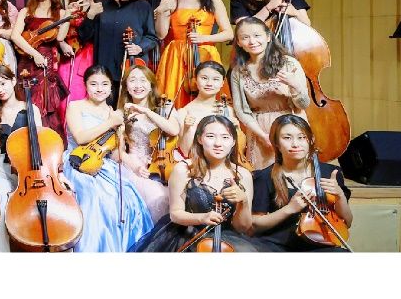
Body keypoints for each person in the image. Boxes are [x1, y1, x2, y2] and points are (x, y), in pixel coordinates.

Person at [130, 114, 258, 252]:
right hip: (187, 235)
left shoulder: (243, 175)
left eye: (225, 137)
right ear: (199, 139)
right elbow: (175, 214)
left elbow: (243, 228)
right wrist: (202, 218)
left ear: (233, 141)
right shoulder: (183, 169)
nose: (218, 143)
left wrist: (244, 202)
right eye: (210, 136)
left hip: (228, 239)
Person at [62, 66, 154, 252]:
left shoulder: (113, 111)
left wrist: (135, 166)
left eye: (104, 84)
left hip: (104, 164)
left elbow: (115, 151)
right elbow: (80, 138)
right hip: (78, 163)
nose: (99, 89)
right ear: (85, 85)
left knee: (127, 199)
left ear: (111, 87)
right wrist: (110, 122)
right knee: (95, 198)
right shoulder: (75, 106)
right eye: (93, 84)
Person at [248, 114, 353, 251]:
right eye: (287, 138)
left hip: (319, 243)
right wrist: (289, 209)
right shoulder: (264, 177)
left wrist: (340, 196)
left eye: (302, 137)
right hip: (275, 245)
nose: (295, 144)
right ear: (276, 143)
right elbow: (255, 225)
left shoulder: (330, 173)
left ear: (311, 140)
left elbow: (347, 222)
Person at [229, 18, 309, 169]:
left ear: (268, 37)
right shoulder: (238, 71)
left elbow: (303, 104)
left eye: (257, 35)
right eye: (245, 37)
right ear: (238, 42)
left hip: (291, 125)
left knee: (294, 172)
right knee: (263, 177)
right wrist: (262, 135)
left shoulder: (289, 63)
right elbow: (241, 110)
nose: (252, 41)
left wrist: (294, 85)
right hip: (259, 130)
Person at [154, 0, 234, 108]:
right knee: (175, 98)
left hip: (205, 53)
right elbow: (161, 34)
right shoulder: (171, 1)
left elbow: (229, 33)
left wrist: (203, 38)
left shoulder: (213, 1)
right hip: (177, 55)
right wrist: (161, 12)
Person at [0, 64, 42, 252]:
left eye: (2, 83)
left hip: (30, 169)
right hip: (3, 170)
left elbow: (42, 143)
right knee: (3, 202)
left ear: (13, 81)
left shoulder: (31, 109)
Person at [8, 0, 71, 135]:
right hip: (27, 61)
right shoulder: (26, 11)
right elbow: (15, 36)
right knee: (26, 102)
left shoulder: (60, 13)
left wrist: (68, 15)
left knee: (45, 104)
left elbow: (61, 37)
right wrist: (34, 54)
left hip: (46, 63)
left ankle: (47, 142)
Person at [117, 64, 179, 222]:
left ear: (151, 85)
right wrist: (136, 167)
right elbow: (118, 150)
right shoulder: (120, 113)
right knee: (158, 196)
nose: (138, 85)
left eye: (143, 80)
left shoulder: (165, 106)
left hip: (166, 160)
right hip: (136, 164)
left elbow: (173, 130)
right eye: (132, 80)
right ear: (126, 87)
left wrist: (146, 111)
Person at [84, 0, 160, 87]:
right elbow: (84, 36)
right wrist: (90, 15)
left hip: (133, 69)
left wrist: (140, 47)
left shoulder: (142, 6)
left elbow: (152, 37)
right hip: (105, 72)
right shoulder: (99, 6)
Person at [61, 0, 101, 105]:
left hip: (92, 54)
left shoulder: (102, 0)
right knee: (67, 99)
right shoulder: (67, 0)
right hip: (70, 54)